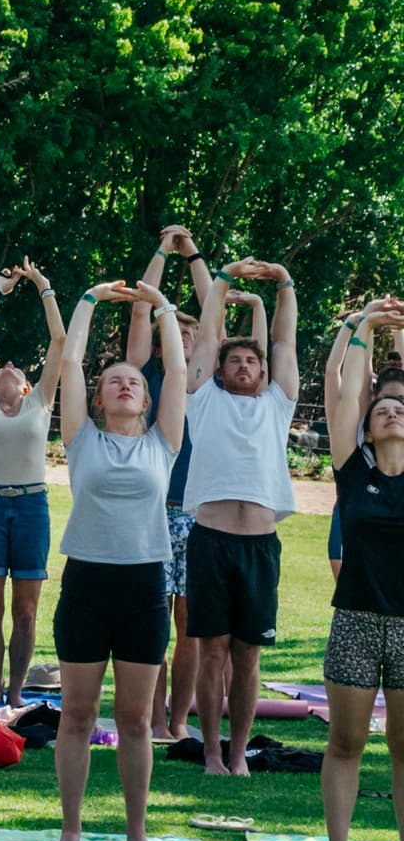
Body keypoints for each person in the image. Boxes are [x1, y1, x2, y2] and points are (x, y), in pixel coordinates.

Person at [52, 279, 188, 841]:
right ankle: (71, 828)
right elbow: (70, 361)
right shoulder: (82, 439)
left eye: (133, 381)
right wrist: (86, 300)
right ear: (99, 398)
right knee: (78, 717)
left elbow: (178, 372)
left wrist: (162, 309)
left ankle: (137, 833)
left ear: (147, 398)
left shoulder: (164, 442)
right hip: (85, 584)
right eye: (114, 382)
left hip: (142, 589)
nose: (125, 386)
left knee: (135, 721)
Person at [180, 253, 301, 777]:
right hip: (210, 539)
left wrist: (285, 285)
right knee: (212, 650)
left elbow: (284, 342)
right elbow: (207, 336)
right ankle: (210, 750)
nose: (244, 366)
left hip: (259, 545)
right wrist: (224, 275)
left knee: (248, 654)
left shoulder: (278, 403)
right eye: (235, 361)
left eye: (251, 362)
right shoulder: (203, 400)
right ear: (222, 371)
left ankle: (238, 753)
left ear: (261, 371)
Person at [314, 301, 404, 841]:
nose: (392, 413)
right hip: (355, 622)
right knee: (346, 743)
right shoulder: (354, 472)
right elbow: (345, 391)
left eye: (401, 407)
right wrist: (364, 326)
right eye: (383, 409)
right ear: (368, 427)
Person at [0, 262, 67, 701]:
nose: (7, 364)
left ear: (26, 387)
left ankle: (18, 692)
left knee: (26, 611)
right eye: (1, 365)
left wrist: (43, 286)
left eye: (17, 368)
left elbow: (59, 341)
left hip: (30, 508)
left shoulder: (39, 403)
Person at [125, 225, 214, 738]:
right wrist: (162, 248)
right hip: (152, 513)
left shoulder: (204, 381)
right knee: (154, 624)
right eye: (172, 335)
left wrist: (194, 252)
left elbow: (213, 310)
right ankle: (151, 719)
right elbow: (141, 307)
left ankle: (178, 722)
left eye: (189, 336)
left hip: (199, 512)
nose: (181, 342)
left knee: (192, 628)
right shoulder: (147, 377)